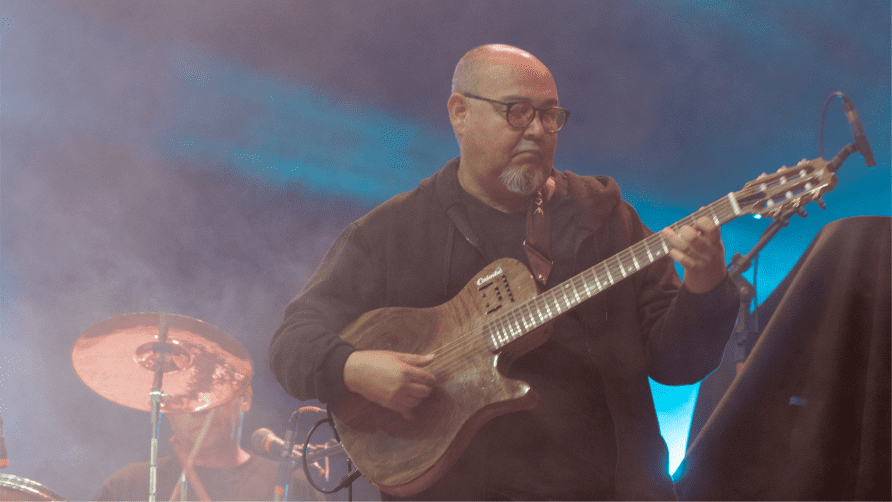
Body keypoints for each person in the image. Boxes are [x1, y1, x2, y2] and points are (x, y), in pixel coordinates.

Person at [269, 44, 739, 500]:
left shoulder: (607, 219)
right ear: (460, 113)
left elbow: (681, 367)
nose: (537, 130)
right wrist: (352, 368)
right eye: (517, 111)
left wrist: (704, 286)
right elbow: (292, 341)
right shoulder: (393, 233)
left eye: (549, 115)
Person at [94, 385, 320, 501]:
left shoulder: (294, 485)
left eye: (211, 391)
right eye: (183, 397)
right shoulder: (127, 486)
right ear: (165, 409)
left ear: (244, 397)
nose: (199, 408)